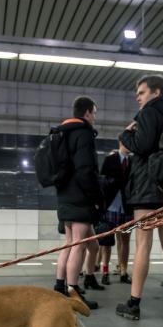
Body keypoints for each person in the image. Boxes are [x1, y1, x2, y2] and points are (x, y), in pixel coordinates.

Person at [116, 74, 163, 320]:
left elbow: (142, 146)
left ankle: (134, 304)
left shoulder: (147, 114)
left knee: (143, 245)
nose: (138, 97)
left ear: (156, 93)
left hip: (147, 189)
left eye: (142, 92)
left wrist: (125, 135)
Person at [53, 96, 104, 309]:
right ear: (87, 113)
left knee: (70, 243)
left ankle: (60, 285)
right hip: (79, 197)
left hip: (64, 196)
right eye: (94, 113)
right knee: (78, 245)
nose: (95, 117)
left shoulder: (62, 132)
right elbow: (86, 170)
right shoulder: (82, 134)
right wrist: (96, 198)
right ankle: (74, 291)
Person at [98, 144, 133, 285]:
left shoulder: (133, 161)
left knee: (125, 241)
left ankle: (123, 271)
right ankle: (104, 272)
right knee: (106, 243)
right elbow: (102, 180)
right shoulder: (110, 159)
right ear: (121, 142)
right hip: (110, 208)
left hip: (127, 208)